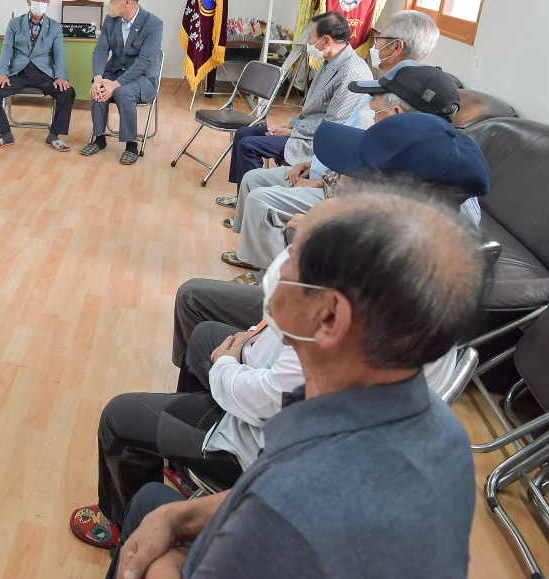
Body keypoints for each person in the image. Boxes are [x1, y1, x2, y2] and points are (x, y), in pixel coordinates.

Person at [92, 187, 482, 579]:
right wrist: (179, 517)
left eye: (295, 253)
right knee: (153, 504)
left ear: (329, 317)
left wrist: (168, 564)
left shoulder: (289, 506)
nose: (280, 264)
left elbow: (276, 511)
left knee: (142, 522)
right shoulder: (440, 430)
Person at [171, 109, 489, 380]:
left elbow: (279, 379)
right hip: (270, 355)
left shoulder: (374, 282)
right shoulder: (405, 245)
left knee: (201, 327)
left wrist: (229, 365)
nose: (338, 177)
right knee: (196, 302)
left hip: (263, 389)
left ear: (388, 198)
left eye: (353, 170)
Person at [219, 64, 461, 272]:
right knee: (253, 178)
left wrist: (326, 219)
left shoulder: (425, 172)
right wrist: (317, 170)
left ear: (396, 113)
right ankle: (251, 253)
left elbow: (384, 223)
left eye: (375, 110)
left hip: (354, 218)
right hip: (342, 195)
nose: (371, 114)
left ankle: (265, 275)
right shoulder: (402, 143)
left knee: (260, 198)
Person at [223, 11, 370, 186]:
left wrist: (292, 132)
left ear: (326, 40)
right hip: (305, 131)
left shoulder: (351, 72)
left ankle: (251, 195)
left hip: (315, 142)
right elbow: (312, 111)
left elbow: (333, 127)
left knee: (248, 145)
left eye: (311, 37)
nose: (308, 43)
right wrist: (288, 126)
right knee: (243, 133)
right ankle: (241, 194)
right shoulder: (331, 61)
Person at [0, 0, 76, 151]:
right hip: (18, 73)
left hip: (43, 74)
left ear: (48, 3)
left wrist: (60, 76)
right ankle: (5, 134)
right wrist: (2, 72)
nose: (39, 3)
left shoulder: (55, 27)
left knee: (67, 92)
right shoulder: (14, 23)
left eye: (43, 0)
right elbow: (6, 49)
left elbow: (59, 54)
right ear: (28, 0)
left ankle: (54, 135)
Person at [82, 0, 163, 165]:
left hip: (143, 77)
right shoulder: (111, 20)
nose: (110, 3)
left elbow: (144, 62)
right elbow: (101, 50)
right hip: (116, 71)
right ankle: (99, 138)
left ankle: (131, 145)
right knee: (99, 88)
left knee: (123, 92)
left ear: (127, 1)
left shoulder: (153, 23)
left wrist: (115, 84)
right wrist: (98, 78)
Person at [366, 9, 439, 75]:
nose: (376, 42)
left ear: (396, 47)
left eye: (380, 36)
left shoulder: (367, 83)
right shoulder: (429, 81)